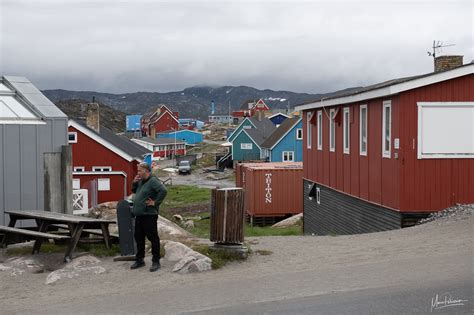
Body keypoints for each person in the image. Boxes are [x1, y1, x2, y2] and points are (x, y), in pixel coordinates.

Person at [130, 162, 167, 272]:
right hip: (139, 215)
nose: (138, 173)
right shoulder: (141, 181)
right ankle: (140, 260)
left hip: (149, 215)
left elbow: (163, 191)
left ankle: (156, 261)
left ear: (146, 171)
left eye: (139, 170)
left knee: (153, 238)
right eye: (138, 171)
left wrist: (155, 203)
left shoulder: (153, 181)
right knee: (139, 238)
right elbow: (134, 191)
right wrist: (134, 183)